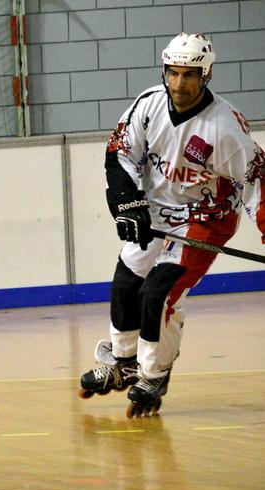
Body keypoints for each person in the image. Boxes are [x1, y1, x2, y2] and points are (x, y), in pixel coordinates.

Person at [79, 33, 264, 417]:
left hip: (205, 219)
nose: (179, 84)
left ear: (206, 75)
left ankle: (154, 373)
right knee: (127, 281)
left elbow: (257, 186)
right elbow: (119, 155)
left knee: (160, 291)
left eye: (189, 75)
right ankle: (124, 361)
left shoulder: (226, 130)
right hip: (157, 211)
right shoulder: (148, 105)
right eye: (173, 73)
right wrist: (127, 204)